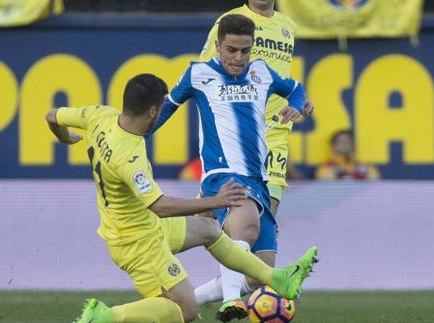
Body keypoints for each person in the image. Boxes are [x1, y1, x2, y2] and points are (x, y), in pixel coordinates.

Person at [45, 73, 317, 323]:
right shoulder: (129, 157)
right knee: (185, 310)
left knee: (209, 230)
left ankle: (277, 278)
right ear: (153, 110)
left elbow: (52, 115)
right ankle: (107, 317)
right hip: (137, 241)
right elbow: (160, 206)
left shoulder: (99, 115)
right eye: (162, 106)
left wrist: (65, 138)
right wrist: (215, 201)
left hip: (141, 225)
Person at [149, 14, 317, 321]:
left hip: (259, 179)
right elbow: (163, 111)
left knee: (254, 279)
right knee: (246, 228)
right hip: (222, 173)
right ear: (217, 45)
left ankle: (173, 308)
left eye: (245, 50)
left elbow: (296, 88)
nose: (238, 58)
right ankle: (229, 303)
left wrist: (298, 103)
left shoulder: (261, 71)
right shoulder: (198, 73)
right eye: (231, 50)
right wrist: (130, 133)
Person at [315, 129, 380, 180]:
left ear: (353, 145)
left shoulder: (362, 165)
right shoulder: (327, 166)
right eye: (341, 142)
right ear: (333, 146)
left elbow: (374, 178)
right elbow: (326, 181)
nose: (345, 144)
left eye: (348, 141)